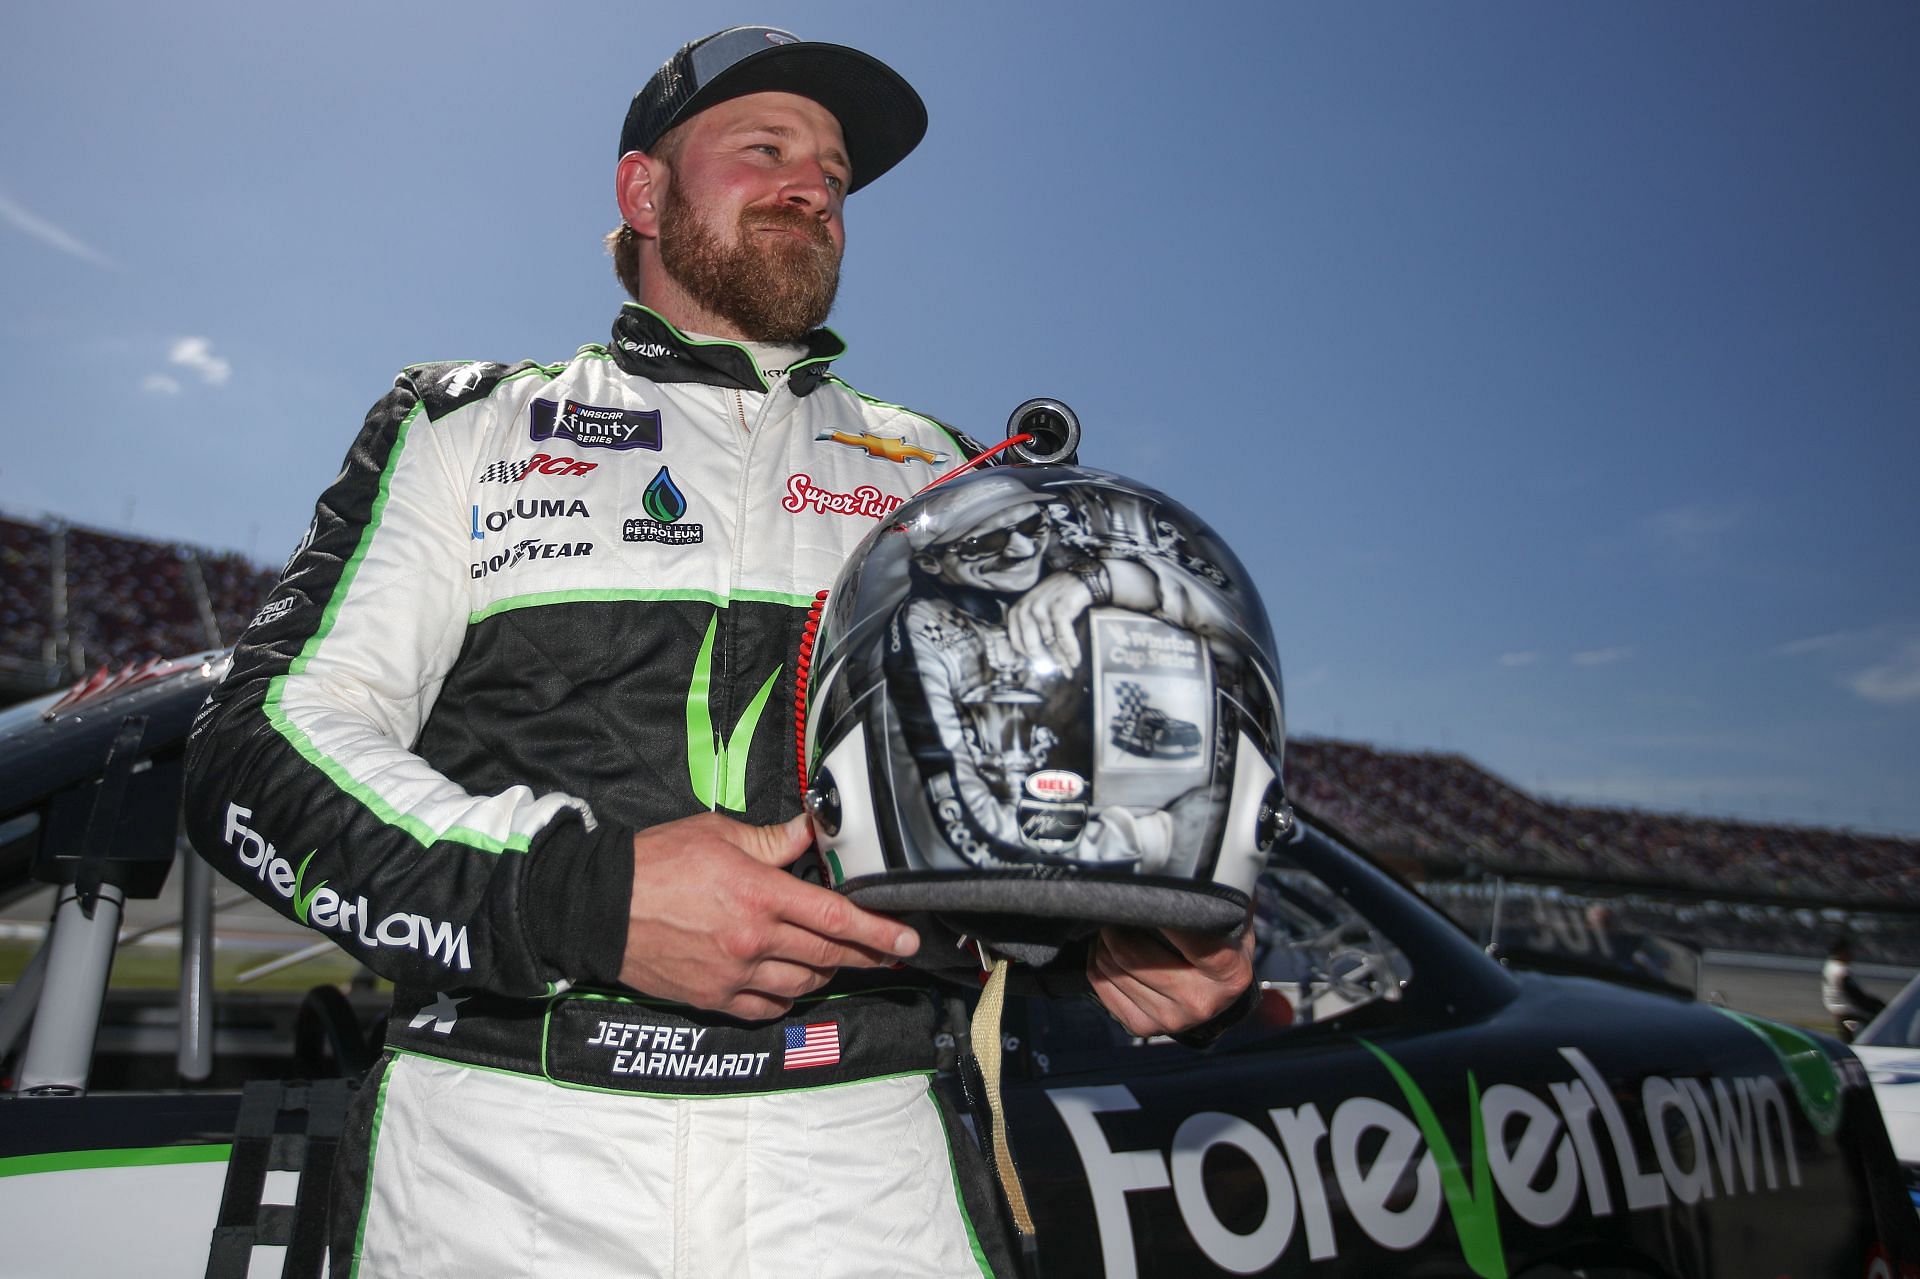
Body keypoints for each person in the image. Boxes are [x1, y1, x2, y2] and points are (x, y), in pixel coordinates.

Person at [183, 25, 1252, 1277]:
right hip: (502, 1159)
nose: (813, 186)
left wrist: (1118, 939)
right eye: (765, 148)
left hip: (869, 1166)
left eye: (836, 174)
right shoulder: (464, 428)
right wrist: (587, 900)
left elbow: (1009, 822)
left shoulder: (951, 482)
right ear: (644, 192)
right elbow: (250, 753)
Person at [1823, 936, 1885, 1043]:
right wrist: (1876, 1007)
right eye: (1849, 951)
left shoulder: (1830, 966)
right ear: (1841, 952)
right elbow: (1856, 996)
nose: (1852, 954)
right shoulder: (1841, 972)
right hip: (1849, 1014)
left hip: (1840, 1013)